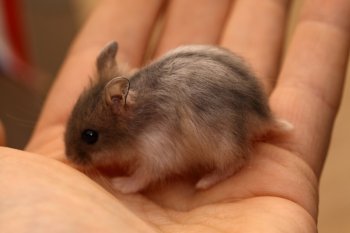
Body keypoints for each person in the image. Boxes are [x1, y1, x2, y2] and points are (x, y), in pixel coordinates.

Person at [1, 0, 349, 231]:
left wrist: (136, 181)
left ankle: (229, 165)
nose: (81, 150)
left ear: (121, 106)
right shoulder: (127, 103)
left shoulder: (146, 126)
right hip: (228, 94)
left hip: (232, 115)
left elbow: (160, 158)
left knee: (212, 134)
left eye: (90, 138)